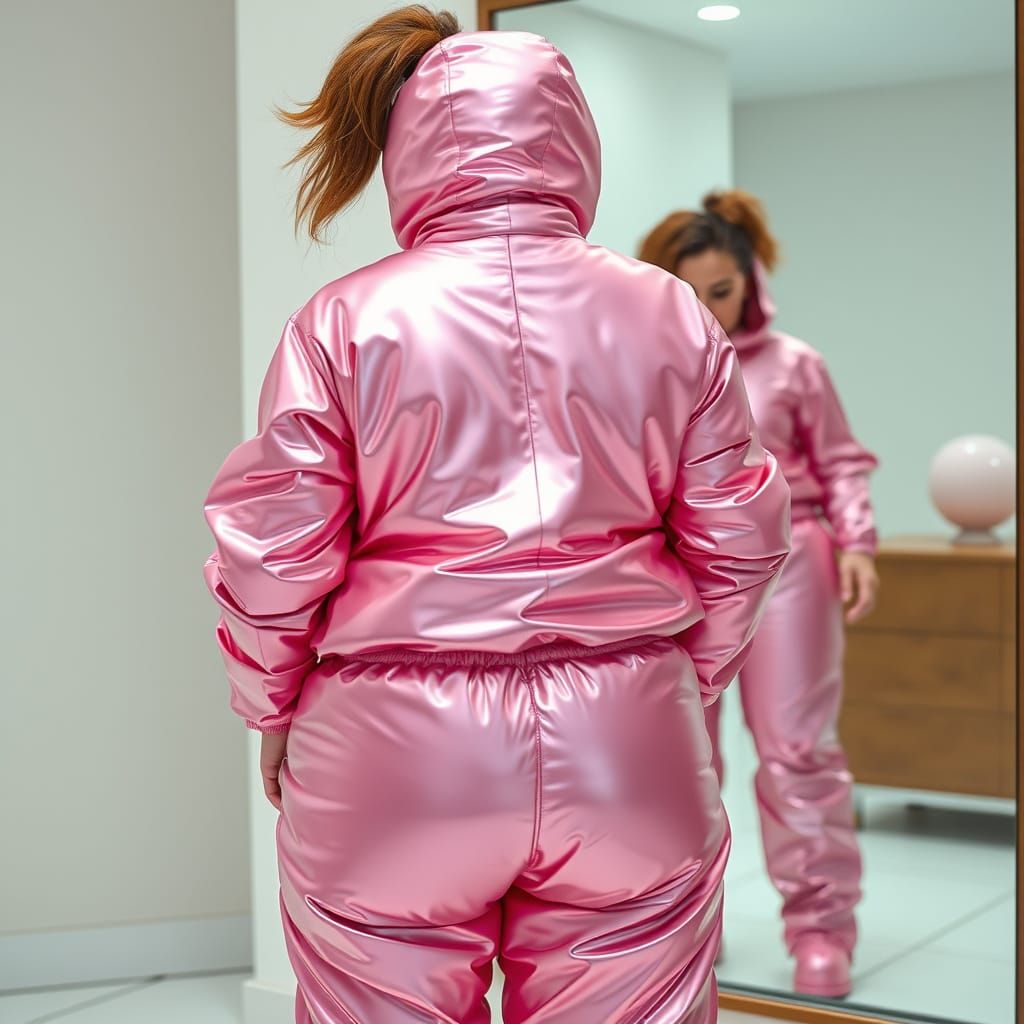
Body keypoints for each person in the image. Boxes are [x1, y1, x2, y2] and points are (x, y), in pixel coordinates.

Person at [203, 10, 790, 1023]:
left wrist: (271, 703)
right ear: (573, 140)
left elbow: (276, 546)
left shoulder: (345, 319)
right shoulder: (670, 314)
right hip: (628, 742)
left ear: (408, 143)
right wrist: (679, 679)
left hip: (391, 747)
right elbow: (739, 533)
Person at [639, 191, 879, 999]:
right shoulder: (637, 367)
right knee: (677, 761)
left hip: (789, 569)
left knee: (796, 750)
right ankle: (683, 929)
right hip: (677, 572)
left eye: (722, 290)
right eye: (690, 291)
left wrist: (858, 545)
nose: (709, 308)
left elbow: (841, 460)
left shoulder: (795, 363)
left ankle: (820, 928)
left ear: (749, 282)